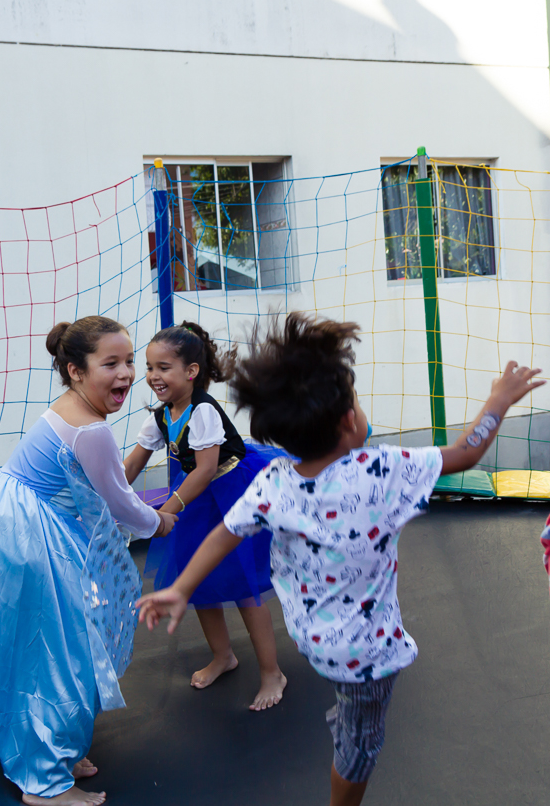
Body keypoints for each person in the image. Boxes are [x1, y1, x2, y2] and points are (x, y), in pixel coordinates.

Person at [137, 312, 543, 806]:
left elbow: (225, 533)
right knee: (360, 747)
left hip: (313, 637)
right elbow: (463, 454)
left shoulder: (275, 482)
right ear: (350, 421)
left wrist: (180, 588)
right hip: (368, 657)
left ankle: (337, 711)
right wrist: (498, 402)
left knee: (351, 712)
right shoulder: (381, 469)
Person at [0, 315, 178, 806]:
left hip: (4, 517)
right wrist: (159, 522)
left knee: (56, 643)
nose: (124, 375)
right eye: (110, 364)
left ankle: (56, 747)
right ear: (76, 370)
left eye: (128, 363)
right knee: (53, 650)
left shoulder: (68, 407)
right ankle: (45, 782)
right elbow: (120, 501)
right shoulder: (93, 429)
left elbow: (102, 488)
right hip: (21, 536)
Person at [123, 322, 287, 709]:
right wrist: (106, 494)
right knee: (198, 582)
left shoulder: (203, 412)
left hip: (230, 491)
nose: (152, 377)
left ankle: (271, 672)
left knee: (244, 585)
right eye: (149, 368)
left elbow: (206, 469)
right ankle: (223, 656)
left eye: (163, 368)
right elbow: (132, 462)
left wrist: (165, 510)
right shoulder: (162, 415)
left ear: (191, 372)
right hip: (196, 498)